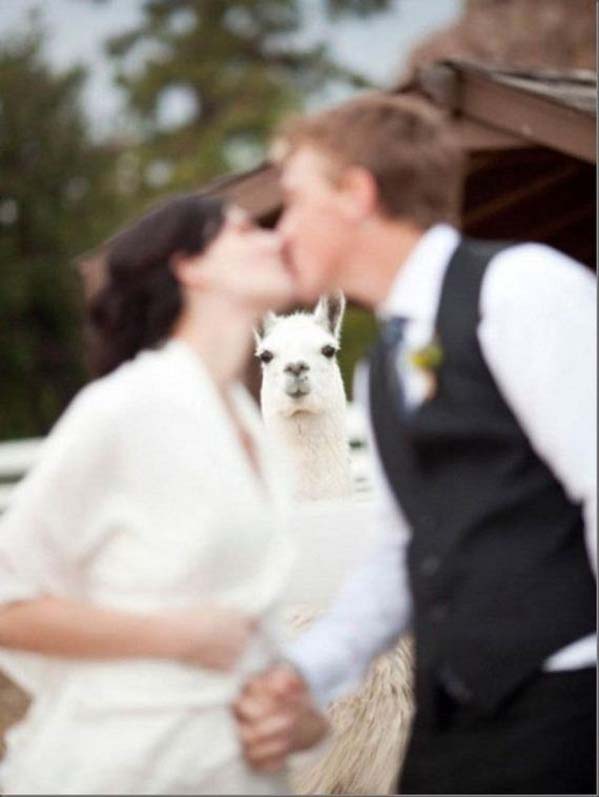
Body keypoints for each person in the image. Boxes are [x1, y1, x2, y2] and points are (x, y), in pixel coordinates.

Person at [234, 95, 597, 794]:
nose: (282, 229)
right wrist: (310, 670)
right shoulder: (385, 365)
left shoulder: (521, 293)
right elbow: (406, 549)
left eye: (297, 200)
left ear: (356, 196)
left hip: (561, 700)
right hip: (452, 715)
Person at [0, 194, 324, 795]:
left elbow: (246, 626)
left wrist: (296, 720)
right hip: (124, 769)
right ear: (188, 265)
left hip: (230, 772)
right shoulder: (123, 410)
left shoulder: (247, 427)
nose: (273, 240)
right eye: (246, 230)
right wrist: (176, 638)